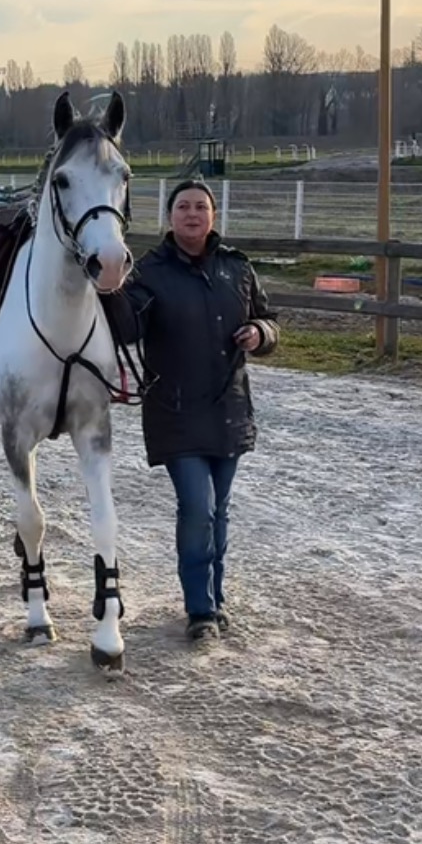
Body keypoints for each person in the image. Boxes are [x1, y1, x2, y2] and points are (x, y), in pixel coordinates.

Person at [126, 179, 278, 646]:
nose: (192, 214)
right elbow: (125, 326)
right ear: (169, 217)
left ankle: (216, 596)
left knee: (219, 511)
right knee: (197, 509)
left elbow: (270, 320)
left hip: (228, 408)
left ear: (213, 216)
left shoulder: (237, 267)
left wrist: (259, 331)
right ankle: (200, 609)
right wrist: (108, 290)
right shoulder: (149, 272)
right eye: (183, 207)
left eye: (200, 207)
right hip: (175, 411)